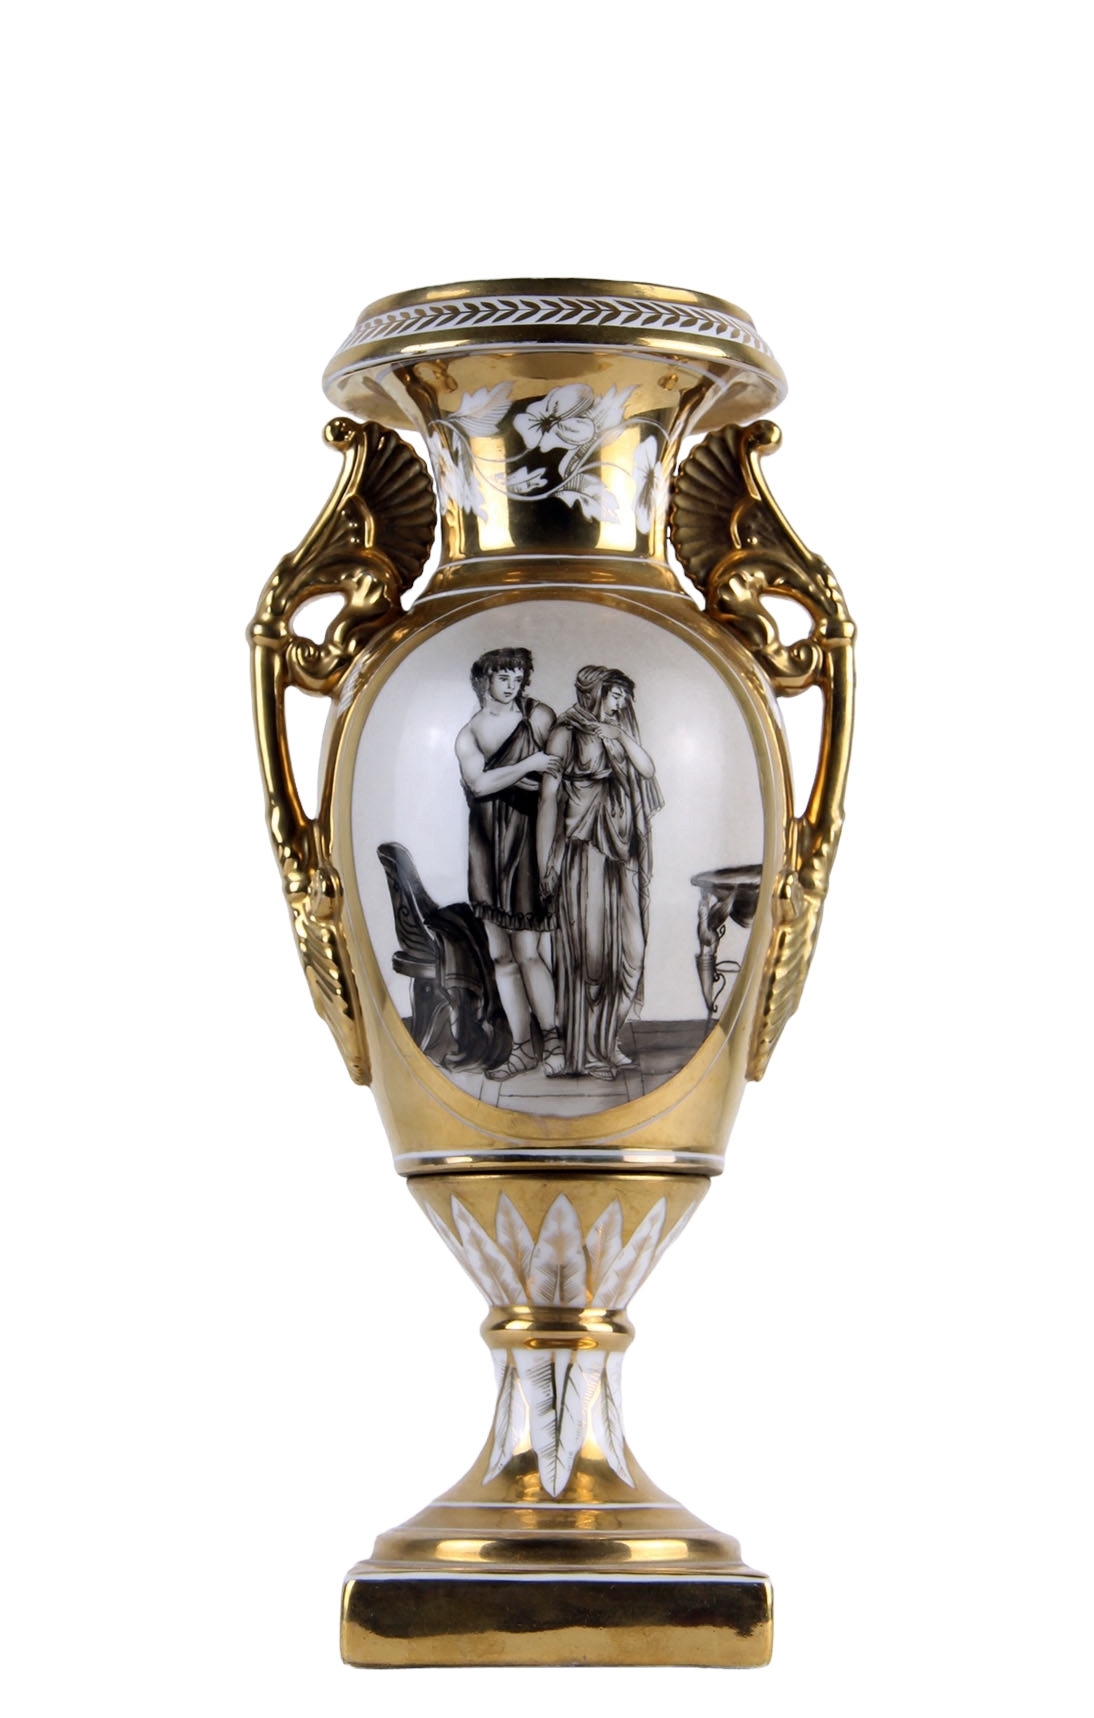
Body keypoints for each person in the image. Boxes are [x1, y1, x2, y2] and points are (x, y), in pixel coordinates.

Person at [537, 665, 664, 1078]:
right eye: (615, 694)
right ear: (594, 693)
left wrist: (620, 736)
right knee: (591, 958)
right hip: (583, 852)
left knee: (631, 953)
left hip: (621, 853)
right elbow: (548, 799)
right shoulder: (565, 732)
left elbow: (647, 770)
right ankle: (589, 1052)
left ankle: (606, 1039)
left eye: (624, 695)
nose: (621, 702)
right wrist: (545, 859)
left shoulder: (620, 732)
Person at [455, 648, 564, 1079]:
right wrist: (528, 765)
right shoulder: (468, 733)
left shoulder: (538, 717)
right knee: (501, 954)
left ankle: (552, 1041)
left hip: (526, 840)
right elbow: (479, 784)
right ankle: (522, 1049)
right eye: (504, 677)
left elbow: (556, 778)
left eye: (518, 677)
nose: (512, 685)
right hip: (486, 843)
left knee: (528, 951)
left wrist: (523, 776)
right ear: (483, 680)